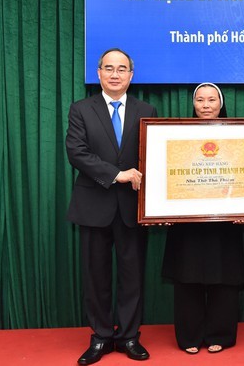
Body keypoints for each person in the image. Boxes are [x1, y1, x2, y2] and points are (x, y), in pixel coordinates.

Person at [66, 48, 157, 365]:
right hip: (94, 204)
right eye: (109, 68)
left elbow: (155, 156)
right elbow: (76, 152)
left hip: (133, 209)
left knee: (132, 276)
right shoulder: (81, 109)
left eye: (122, 69)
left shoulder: (148, 110)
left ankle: (130, 336)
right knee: (96, 277)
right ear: (99, 73)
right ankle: (101, 337)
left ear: (131, 75)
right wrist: (117, 174)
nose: (115, 74)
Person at [161, 83, 244, 355]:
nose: (206, 105)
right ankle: (190, 336)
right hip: (187, 223)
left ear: (221, 104)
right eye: (200, 100)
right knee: (188, 276)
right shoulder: (175, 135)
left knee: (224, 277)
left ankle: (219, 333)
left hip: (226, 221)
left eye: (212, 100)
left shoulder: (238, 135)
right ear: (193, 104)